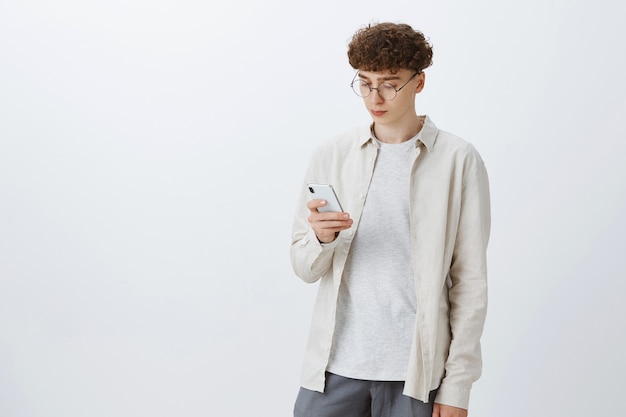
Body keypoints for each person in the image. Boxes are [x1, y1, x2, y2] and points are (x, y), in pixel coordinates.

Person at [290, 22, 490, 417]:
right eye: (364, 83)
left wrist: (458, 386)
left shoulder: (457, 160)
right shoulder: (331, 155)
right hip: (332, 372)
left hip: (416, 376)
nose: (374, 97)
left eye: (389, 83)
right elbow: (303, 267)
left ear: (419, 83)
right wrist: (323, 241)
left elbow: (469, 282)